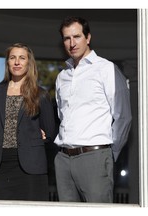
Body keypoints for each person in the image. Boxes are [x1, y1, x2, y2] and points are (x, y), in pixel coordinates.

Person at [54, 16, 132, 203]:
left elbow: (123, 117)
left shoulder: (107, 69)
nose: (72, 43)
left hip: (95, 157)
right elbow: (61, 115)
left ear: (88, 37)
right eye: (66, 38)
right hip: (63, 159)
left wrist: (109, 154)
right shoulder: (62, 77)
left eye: (77, 36)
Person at [0, 43, 56, 201]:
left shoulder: (41, 94)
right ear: (7, 62)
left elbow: (50, 132)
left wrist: (36, 137)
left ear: (29, 63)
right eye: (12, 58)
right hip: (1, 165)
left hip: (32, 165)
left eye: (22, 58)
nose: (17, 62)